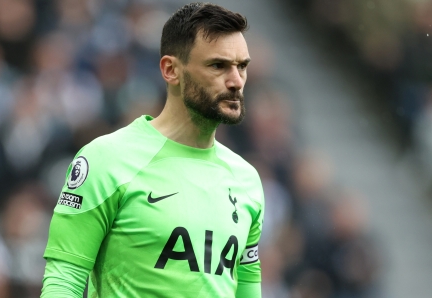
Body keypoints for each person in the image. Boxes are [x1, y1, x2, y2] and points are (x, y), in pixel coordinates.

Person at [40, 2, 265, 297]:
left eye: (242, 66)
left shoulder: (246, 179)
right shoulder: (107, 159)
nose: (236, 81)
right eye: (218, 65)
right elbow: (63, 282)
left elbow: (247, 291)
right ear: (171, 70)